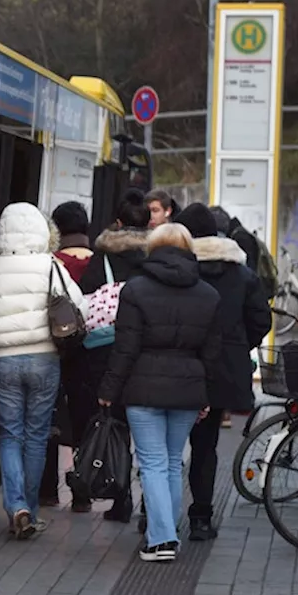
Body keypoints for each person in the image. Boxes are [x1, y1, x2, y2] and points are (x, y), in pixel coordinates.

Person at [98, 223, 222, 562]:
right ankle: (166, 532)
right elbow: (211, 354)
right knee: (169, 462)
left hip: (143, 387)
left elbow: (125, 347)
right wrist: (206, 396)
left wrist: (109, 389)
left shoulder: (135, 290)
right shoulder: (209, 294)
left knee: (151, 463)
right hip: (188, 388)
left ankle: (162, 539)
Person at [0, 202, 87, 539]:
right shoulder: (51, 265)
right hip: (44, 358)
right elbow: (79, 304)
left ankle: (17, 507)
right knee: (37, 435)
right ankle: (30, 507)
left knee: (10, 434)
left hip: (4, 360)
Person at [173, 203, 272, 541]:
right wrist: (236, 347)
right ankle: (201, 517)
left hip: (177, 368)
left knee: (166, 450)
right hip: (221, 372)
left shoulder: (176, 271)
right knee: (206, 446)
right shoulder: (243, 275)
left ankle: (155, 515)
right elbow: (261, 321)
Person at [73, 189, 151, 522]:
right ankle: (141, 504)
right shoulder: (154, 257)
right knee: (140, 428)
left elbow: (85, 298)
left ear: (117, 223)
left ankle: (109, 492)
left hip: (104, 351)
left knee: (107, 421)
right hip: (144, 350)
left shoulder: (101, 257)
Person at [40, 201, 94, 509]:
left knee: (50, 417)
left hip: (54, 350)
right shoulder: (98, 262)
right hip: (88, 353)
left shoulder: (52, 262)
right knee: (85, 420)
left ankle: (47, 490)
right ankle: (82, 494)